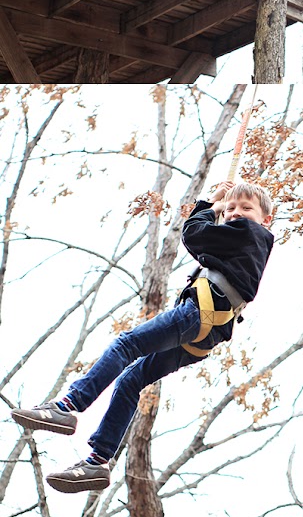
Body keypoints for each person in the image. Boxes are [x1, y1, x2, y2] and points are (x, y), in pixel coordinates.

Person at [10, 181, 274, 493]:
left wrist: (210, 206)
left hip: (199, 314)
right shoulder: (242, 242)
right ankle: (98, 461)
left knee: (126, 344)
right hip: (207, 331)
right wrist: (217, 213)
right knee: (131, 380)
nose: (235, 213)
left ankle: (67, 406)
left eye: (245, 208)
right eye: (231, 208)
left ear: (264, 219)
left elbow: (192, 234)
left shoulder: (250, 234)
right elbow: (206, 244)